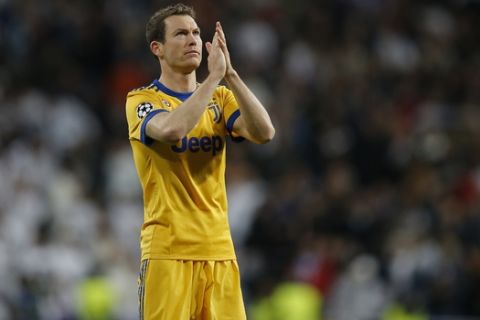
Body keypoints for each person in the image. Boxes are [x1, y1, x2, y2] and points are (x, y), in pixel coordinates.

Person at [125, 3, 275, 319]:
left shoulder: (221, 99)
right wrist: (212, 80)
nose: (192, 39)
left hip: (219, 251)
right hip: (168, 252)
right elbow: (172, 129)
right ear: (158, 48)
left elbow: (265, 132)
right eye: (180, 33)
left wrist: (230, 75)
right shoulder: (141, 100)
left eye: (195, 32)